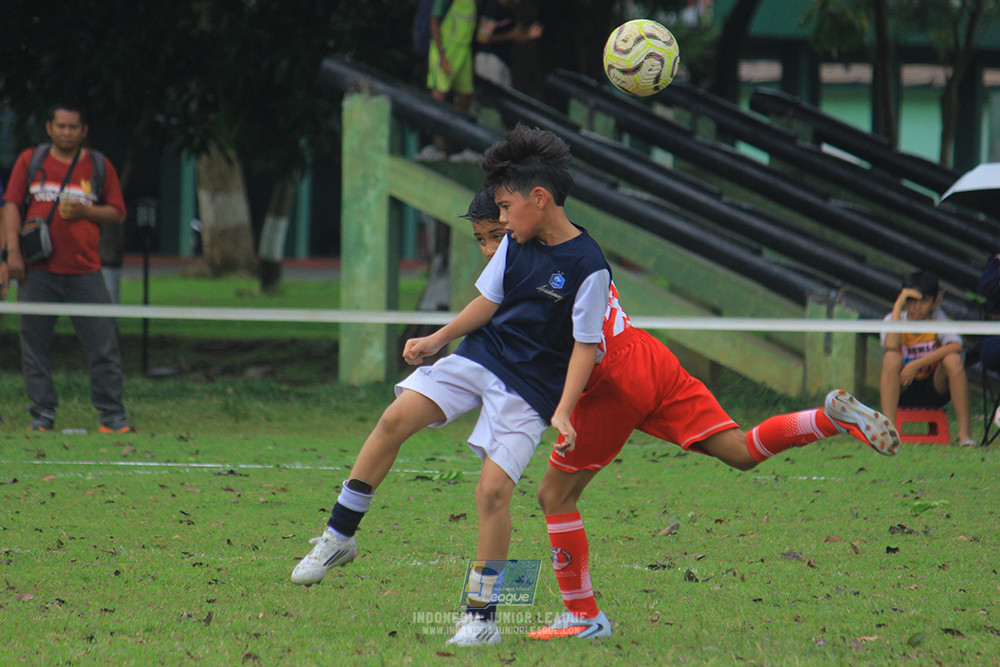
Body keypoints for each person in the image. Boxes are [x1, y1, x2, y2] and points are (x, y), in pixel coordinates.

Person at [461, 185, 901, 640]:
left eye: (500, 231)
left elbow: (554, 346)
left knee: (551, 496)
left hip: (610, 377)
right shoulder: (572, 248)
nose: (493, 247)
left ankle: (570, 616)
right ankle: (829, 419)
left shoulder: (533, 265)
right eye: (483, 239)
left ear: (529, 210)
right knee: (739, 450)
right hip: (646, 354)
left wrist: (558, 407)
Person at [290, 125, 612, 647]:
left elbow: (585, 345)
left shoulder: (588, 266)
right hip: (483, 356)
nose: (501, 220)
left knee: (492, 493)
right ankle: (339, 535)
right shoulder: (518, 244)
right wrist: (436, 339)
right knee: (394, 418)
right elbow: (486, 303)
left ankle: (481, 618)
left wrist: (565, 410)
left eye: (506, 208)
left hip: (530, 390)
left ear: (540, 198)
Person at [0, 103, 136, 433]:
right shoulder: (30, 161)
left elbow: (117, 212)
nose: (66, 132)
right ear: (49, 128)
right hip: (37, 271)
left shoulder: (98, 165)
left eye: (73, 127)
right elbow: (12, 205)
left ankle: (112, 416)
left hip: (85, 271)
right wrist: (11, 253)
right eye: (60, 126)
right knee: (34, 346)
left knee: (103, 344)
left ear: (83, 131)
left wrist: (86, 213)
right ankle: (42, 415)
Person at [879, 270, 974, 446]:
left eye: (924, 301)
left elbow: (956, 345)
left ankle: (965, 435)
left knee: (953, 359)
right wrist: (897, 308)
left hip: (934, 388)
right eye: (911, 301)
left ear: (934, 302)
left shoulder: (937, 318)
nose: (917, 307)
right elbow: (891, 345)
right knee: (891, 358)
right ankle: (888, 432)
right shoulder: (893, 318)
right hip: (902, 388)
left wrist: (916, 364)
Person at [415, 0, 479, 162]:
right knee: (438, 99)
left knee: (466, 96)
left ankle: (459, 145)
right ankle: (431, 145)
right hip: (446, 49)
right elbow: (434, 22)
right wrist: (442, 56)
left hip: (464, 51)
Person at [474, 0, 543, 87]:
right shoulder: (494, 8)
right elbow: (482, 37)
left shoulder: (510, 12)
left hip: (504, 61)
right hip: (489, 60)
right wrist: (508, 36)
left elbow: (515, 36)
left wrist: (529, 35)